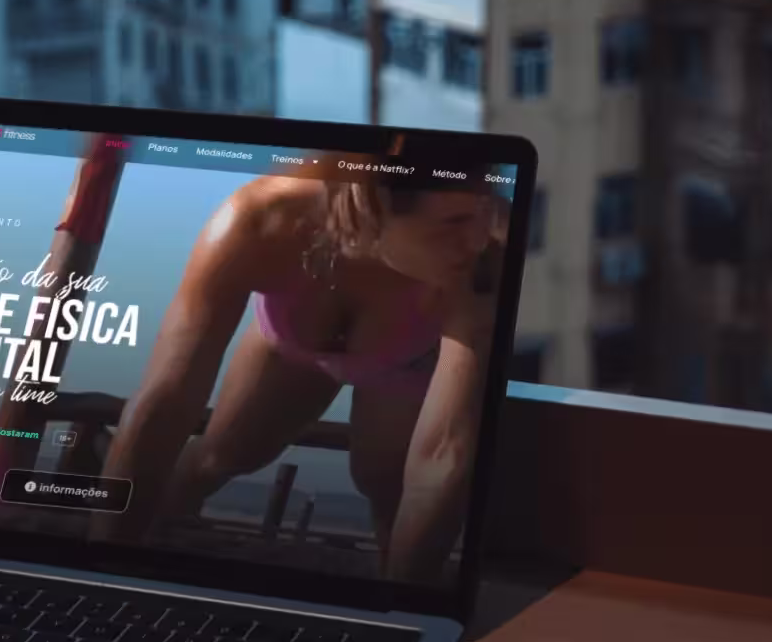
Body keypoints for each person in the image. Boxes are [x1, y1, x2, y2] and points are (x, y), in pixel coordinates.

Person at [96, 146, 506, 582]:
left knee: (386, 485)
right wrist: (100, 567)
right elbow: (166, 396)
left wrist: (402, 614)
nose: (479, 239)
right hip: (292, 341)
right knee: (223, 454)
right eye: (455, 222)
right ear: (372, 205)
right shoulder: (258, 220)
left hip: (411, 359)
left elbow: (446, 455)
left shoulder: (484, 262)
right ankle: (150, 542)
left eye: (484, 210)